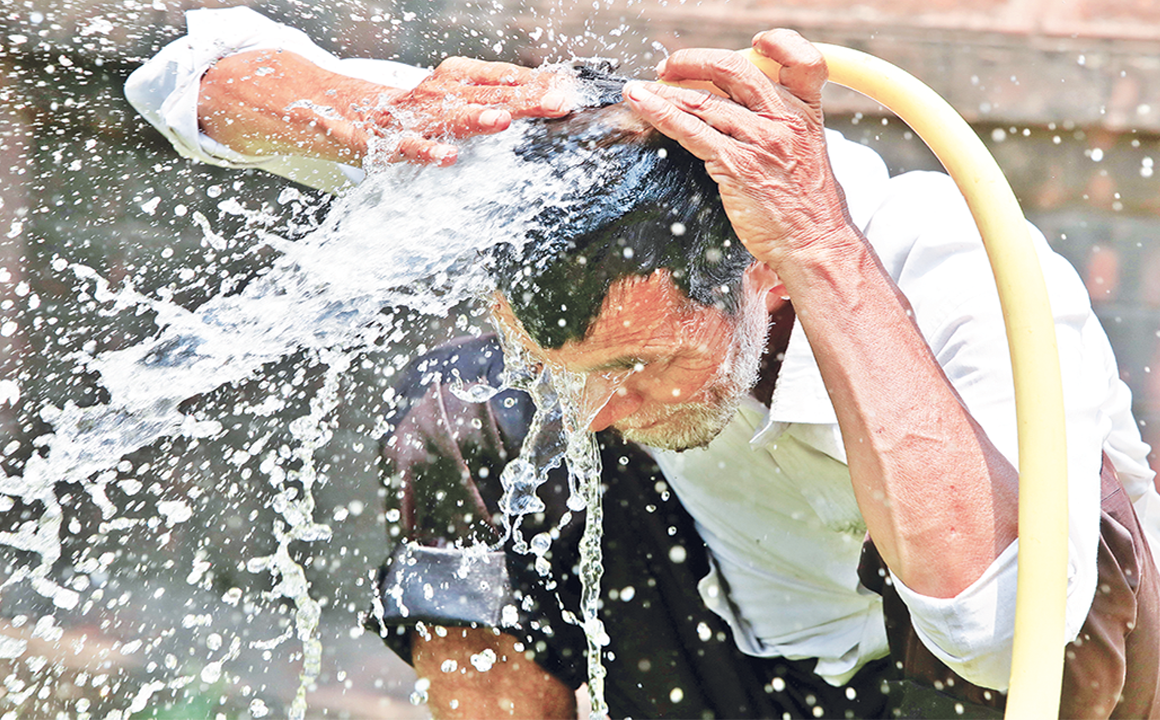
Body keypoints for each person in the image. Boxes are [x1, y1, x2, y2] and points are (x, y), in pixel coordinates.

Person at [127, 8, 1160, 718]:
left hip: (1010, 676)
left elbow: (998, 634)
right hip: (726, 654)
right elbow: (187, 72)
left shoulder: (946, 262)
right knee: (465, 404)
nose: (597, 412)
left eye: (643, 360)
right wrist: (371, 118)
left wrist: (817, 243)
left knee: (1037, 557)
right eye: (568, 366)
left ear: (762, 276)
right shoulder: (577, 168)